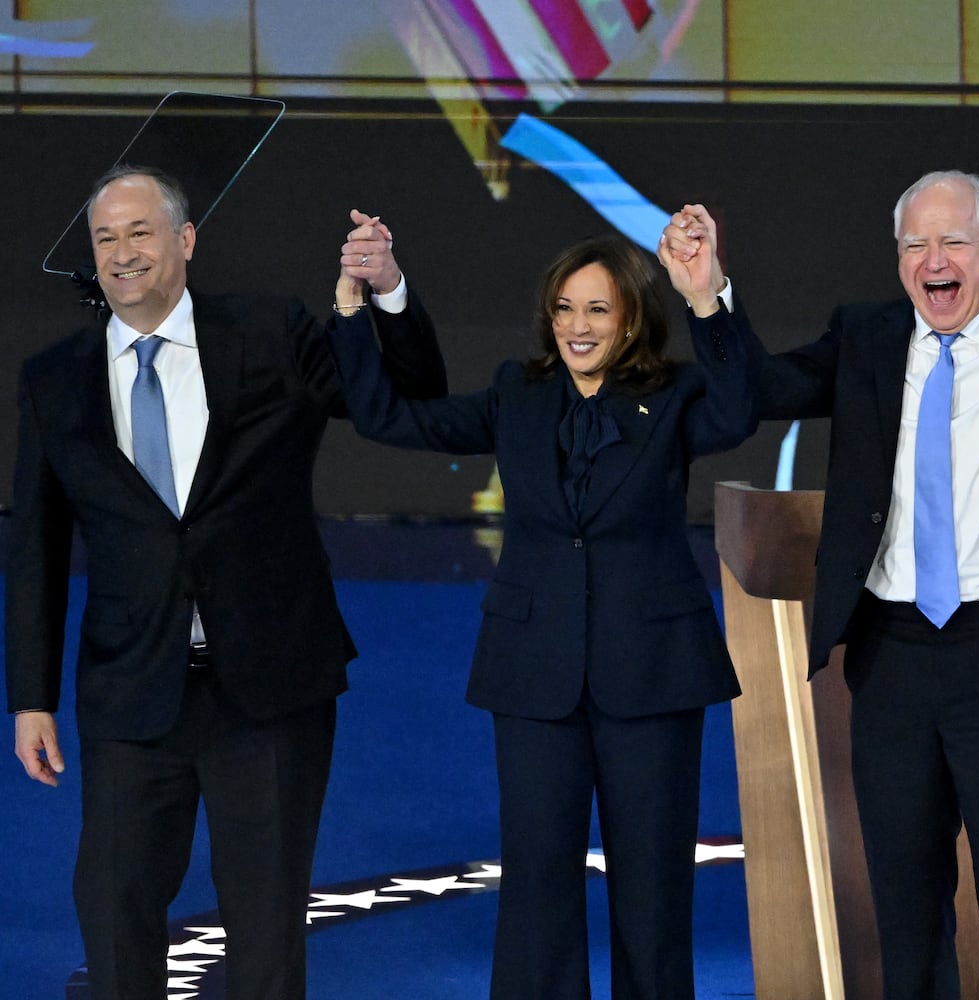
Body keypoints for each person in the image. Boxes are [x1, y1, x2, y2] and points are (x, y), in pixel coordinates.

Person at [661, 171, 979, 998]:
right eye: (915, 245)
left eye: (954, 242)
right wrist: (709, 296)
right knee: (903, 903)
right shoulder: (865, 337)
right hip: (892, 656)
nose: (935, 260)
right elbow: (760, 390)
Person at [6, 164, 447, 1000]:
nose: (123, 252)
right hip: (134, 688)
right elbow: (36, 543)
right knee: (112, 902)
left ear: (186, 240)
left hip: (271, 684)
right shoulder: (54, 378)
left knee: (268, 920)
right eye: (106, 238)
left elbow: (403, 398)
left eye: (141, 232)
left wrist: (384, 290)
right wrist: (31, 696)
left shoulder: (270, 329)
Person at [325, 227, 755, 998]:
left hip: (653, 676)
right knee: (535, 887)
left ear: (630, 320)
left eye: (598, 309)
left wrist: (707, 295)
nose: (579, 326)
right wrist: (362, 311)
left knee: (654, 891)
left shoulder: (678, 396)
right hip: (534, 677)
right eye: (565, 308)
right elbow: (391, 418)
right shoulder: (515, 395)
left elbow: (742, 404)